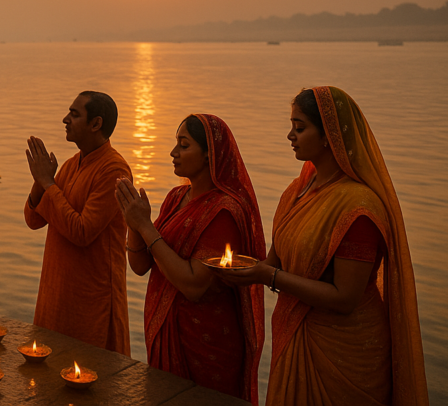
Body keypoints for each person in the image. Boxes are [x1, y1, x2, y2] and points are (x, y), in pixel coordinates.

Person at [217, 87, 428, 406]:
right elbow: (274, 262)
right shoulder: (295, 193)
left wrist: (265, 277)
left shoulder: (358, 207)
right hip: (295, 336)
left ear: (329, 134)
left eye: (300, 128)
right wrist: (241, 268)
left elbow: (345, 298)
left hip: (344, 354)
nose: (290, 135)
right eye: (292, 126)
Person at [116, 114, 266, 404]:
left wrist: (145, 226)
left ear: (210, 155)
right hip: (166, 332)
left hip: (206, 341)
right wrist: (133, 224)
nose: (173, 153)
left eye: (183, 145)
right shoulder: (176, 197)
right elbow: (139, 266)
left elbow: (194, 285)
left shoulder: (224, 212)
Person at [23, 91, 132, 355]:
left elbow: (82, 232)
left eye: (74, 114)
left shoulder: (114, 170)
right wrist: (41, 182)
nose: (65, 119)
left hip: (91, 300)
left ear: (96, 124)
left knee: (91, 379)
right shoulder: (71, 165)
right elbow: (33, 219)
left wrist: (48, 182)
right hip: (56, 292)